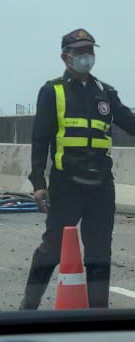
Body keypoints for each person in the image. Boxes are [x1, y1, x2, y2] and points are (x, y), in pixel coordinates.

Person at [20, 28, 135, 310]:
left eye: (90, 51)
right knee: (52, 247)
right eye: (81, 52)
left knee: (99, 253)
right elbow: (40, 140)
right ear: (65, 57)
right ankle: (29, 304)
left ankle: (98, 314)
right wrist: (38, 183)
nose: (87, 57)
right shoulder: (52, 91)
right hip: (65, 184)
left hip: (101, 186)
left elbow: (129, 122)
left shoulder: (106, 93)